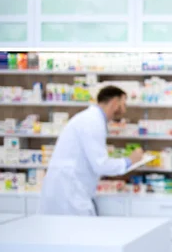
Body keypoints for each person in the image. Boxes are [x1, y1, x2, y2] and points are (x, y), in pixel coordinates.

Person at [39, 85, 144, 216]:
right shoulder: (92, 122)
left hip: (70, 189)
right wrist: (130, 160)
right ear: (115, 102)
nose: (124, 109)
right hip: (69, 193)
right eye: (124, 104)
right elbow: (101, 165)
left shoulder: (92, 119)